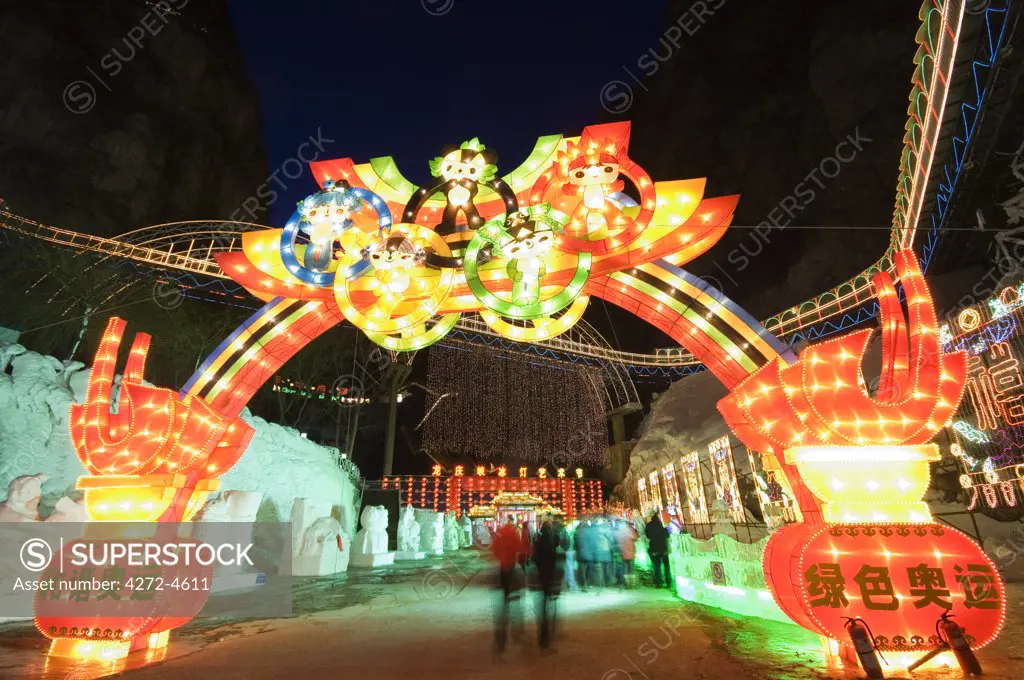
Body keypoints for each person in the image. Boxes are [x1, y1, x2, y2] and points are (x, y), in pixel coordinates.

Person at [492, 516, 526, 655]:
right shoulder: (514, 532)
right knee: (512, 586)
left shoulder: (500, 532)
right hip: (511, 564)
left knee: (505, 585)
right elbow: (519, 547)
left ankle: (505, 596)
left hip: (503, 565)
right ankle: (516, 632)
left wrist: (500, 556)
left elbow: (495, 548)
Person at [532, 517, 563, 651]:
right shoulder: (552, 541)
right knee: (549, 612)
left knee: (543, 611)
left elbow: (535, 558)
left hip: (541, 578)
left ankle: (544, 640)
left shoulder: (538, 541)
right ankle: (546, 641)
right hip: (550, 578)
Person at [645, 512, 671, 588]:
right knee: (666, 567)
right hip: (663, 548)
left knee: (657, 566)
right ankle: (668, 582)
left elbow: (648, 536)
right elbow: (667, 535)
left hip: (654, 548)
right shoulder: (662, 524)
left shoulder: (649, 525)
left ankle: (658, 583)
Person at [617, 519, 639, 588]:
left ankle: (626, 583)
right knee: (631, 569)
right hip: (631, 552)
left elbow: (618, 540)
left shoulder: (620, 531)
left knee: (625, 569)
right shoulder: (630, 530)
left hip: (623, 552)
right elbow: (635, 538)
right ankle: (632, 584)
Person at [575, 518, 595, 591]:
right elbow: (593, 543)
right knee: (589, 570)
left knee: (582, 570)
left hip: (580, 555)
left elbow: (576, 544)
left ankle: (583, 584)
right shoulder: (590, 532)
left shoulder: (577, 532)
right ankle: (588, 583)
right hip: (589, 554)